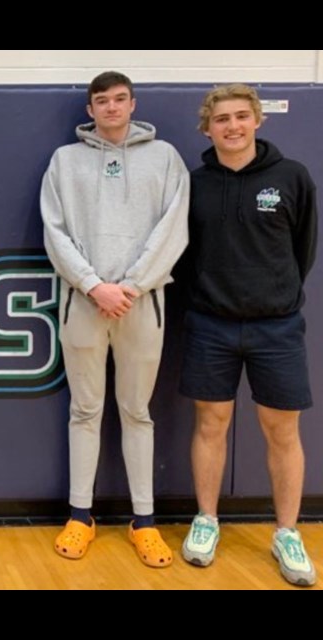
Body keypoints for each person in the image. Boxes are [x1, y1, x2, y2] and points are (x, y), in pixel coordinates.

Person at [41, 71, 190, 567]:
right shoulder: (65, 161)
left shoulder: (165, 159)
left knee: (136, 412)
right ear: (89, 110)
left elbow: (174, 229)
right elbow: (55, 232)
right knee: (84, 411)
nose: (110, 108)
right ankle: (80, 516)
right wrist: (93, 285)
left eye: (119, 99)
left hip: (140, 303)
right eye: (101, 101)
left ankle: (143, 522)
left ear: (133, 104)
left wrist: (132, 285)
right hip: (83, 302)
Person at [179, 84, 318, 586]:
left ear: (258, 120)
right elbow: (184, 256)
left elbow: (302, 251)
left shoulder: (292, 177)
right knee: (210, 424)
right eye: (222, 119)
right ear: (207, 127)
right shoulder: (194, 183)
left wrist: (271, 297)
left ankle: (286, 532)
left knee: (283, 432)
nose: (232, 126)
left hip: (276, 328)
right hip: (209, 324)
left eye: (241, 116)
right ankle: (207, 519)